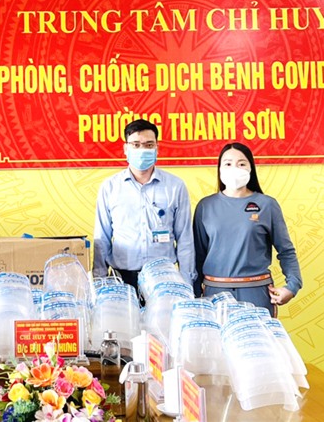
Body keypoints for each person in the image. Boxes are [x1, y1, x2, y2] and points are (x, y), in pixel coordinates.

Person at [192, 142, 302, 316]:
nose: (234, 169)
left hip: (256, 293)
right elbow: (198, 255)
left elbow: (286, 251)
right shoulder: (206, 206)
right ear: (219, 169)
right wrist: (194, 295)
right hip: (214, 294)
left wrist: (292, 286)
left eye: (241, 163)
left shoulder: (267, 205)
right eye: (228, 164)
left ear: (251, 168)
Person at [93, 119, 196, 292]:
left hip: (164, 280)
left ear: (157, 148)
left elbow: (185, 238)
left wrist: (186, 282)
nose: (142, 150)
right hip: (122, 279)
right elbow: (101, 238)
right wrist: (99, 280)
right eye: (136, 145)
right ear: (126, 149)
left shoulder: (175, 186)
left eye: (149, 145)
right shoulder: (110, 187)